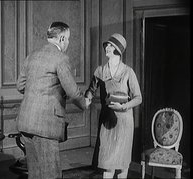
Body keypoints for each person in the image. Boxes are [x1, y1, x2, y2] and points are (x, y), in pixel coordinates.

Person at [16, 21, 90, 179]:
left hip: (25, 122)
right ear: (62, 38)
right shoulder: (60, 58)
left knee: (35, 174)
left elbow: (20, 85)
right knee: (51, 174)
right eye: (68, 39)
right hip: (46, 126)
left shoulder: (32, 56)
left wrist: (37, 93)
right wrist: (84, 103)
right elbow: (72, 90)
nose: (68, 42)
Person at [85, 33, 142, 178]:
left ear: (118, 49)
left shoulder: (128, 72)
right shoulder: (100, 70)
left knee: (122, 165)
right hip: (107, 120)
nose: (107, 47)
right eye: (107, 45)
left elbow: (138, 98)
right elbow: (91, 90)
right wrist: (86, 99)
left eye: (111, 45)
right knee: (107, 162)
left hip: (124, 122)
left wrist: (124, 106)